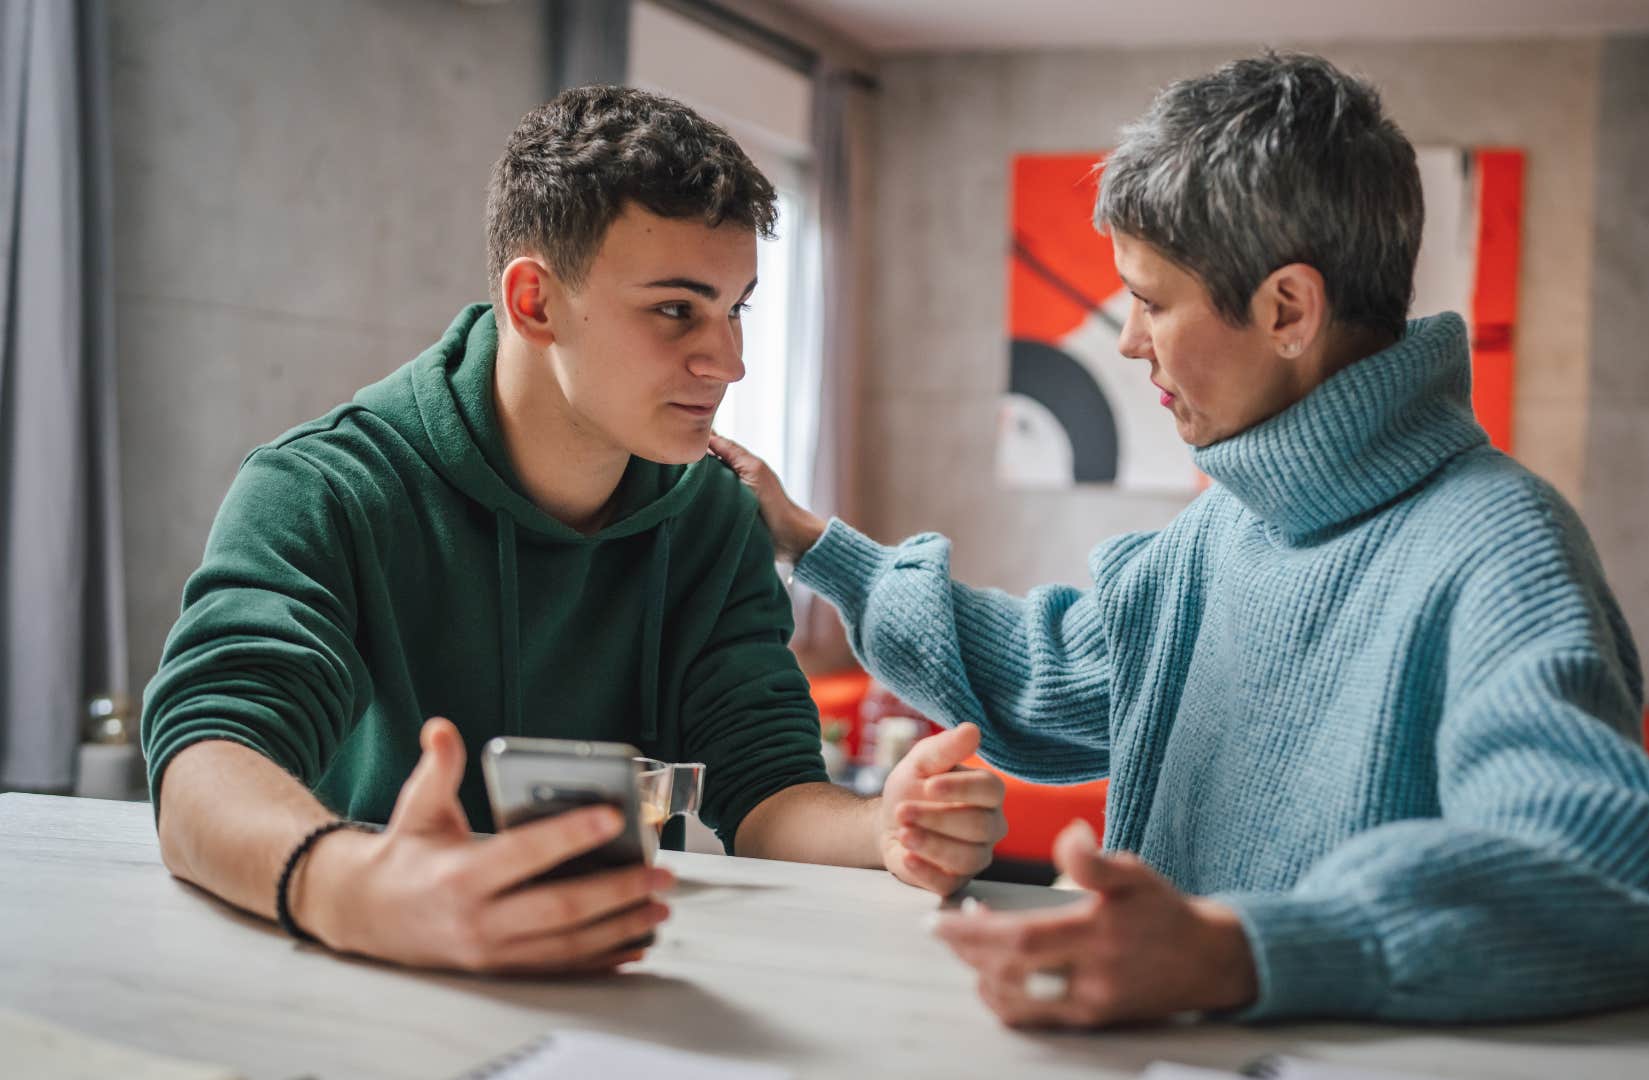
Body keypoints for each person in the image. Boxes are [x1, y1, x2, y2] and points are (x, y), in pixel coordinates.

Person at [711, 52, 1649, 1027]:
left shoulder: (1501, 549)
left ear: (1287, 309)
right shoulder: (1223, 528)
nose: (1128, 342)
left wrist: (1237, 950)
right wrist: (810, 540)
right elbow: (1045, 678)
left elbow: (1606, 873)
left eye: (1148, 300)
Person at [141, 85, 1006, 976]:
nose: (730, 362)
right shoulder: (321, 487)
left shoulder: (713, 512)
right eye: (677, 308)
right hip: (350, 975)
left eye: (736, 307)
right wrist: (354, 887)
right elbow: (207, 760)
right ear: (535, 303)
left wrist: (887, 826)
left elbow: (768, 791)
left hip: (614, 995)